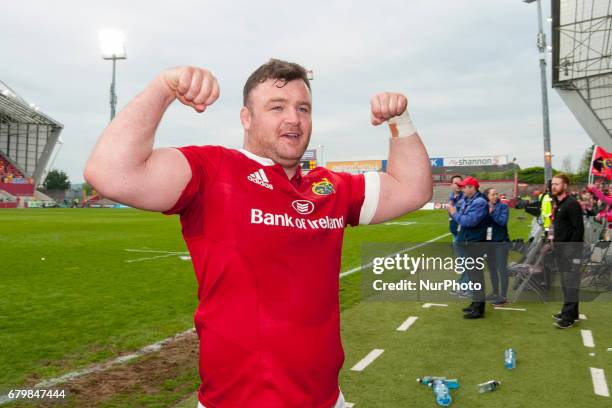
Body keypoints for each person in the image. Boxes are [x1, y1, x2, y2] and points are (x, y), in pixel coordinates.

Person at [84, 60, 432, 407]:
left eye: (303, 108)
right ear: (246, 118)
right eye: (276, 107)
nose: (293, 118)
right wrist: (163, 87)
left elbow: (412, 188)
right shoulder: (214, 171)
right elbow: (111, 173)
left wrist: (399, 121)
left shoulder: (328, 187)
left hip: (326, 400)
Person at [447, 176, 488, 319]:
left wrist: (453, 212)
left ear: (472, 187)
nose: (462, 189)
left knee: (476, 276)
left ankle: (479, 308)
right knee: (472, 275)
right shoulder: (468, 200)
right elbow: (458, 211)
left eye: (464, 187)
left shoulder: (479, 202)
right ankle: (475, 303)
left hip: (475, 243)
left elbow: (468, 221)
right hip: (467, 241)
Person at [550, 174, 584, 329]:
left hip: (570, 251)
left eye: (557, 184)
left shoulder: (572, 204)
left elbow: (578, 229)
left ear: (565, 186)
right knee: (566, 282)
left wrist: (570, 250)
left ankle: (568, 317)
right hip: (560, 249)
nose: (554, 186)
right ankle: (571, 312)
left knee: (570, 282)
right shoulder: (558, 203)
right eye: (553, 184)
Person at [483, 188, 510, 306]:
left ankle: (503, 296)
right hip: (489, 243)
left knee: (502, 269)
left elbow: (502, 222)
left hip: (501, 242)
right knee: (492, 269)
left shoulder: (503, 207)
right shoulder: (483, 208)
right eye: (493, 194)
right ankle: (495, 293)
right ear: (487, 197)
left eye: (496, 194)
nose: (495, 196)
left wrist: (492, 212)